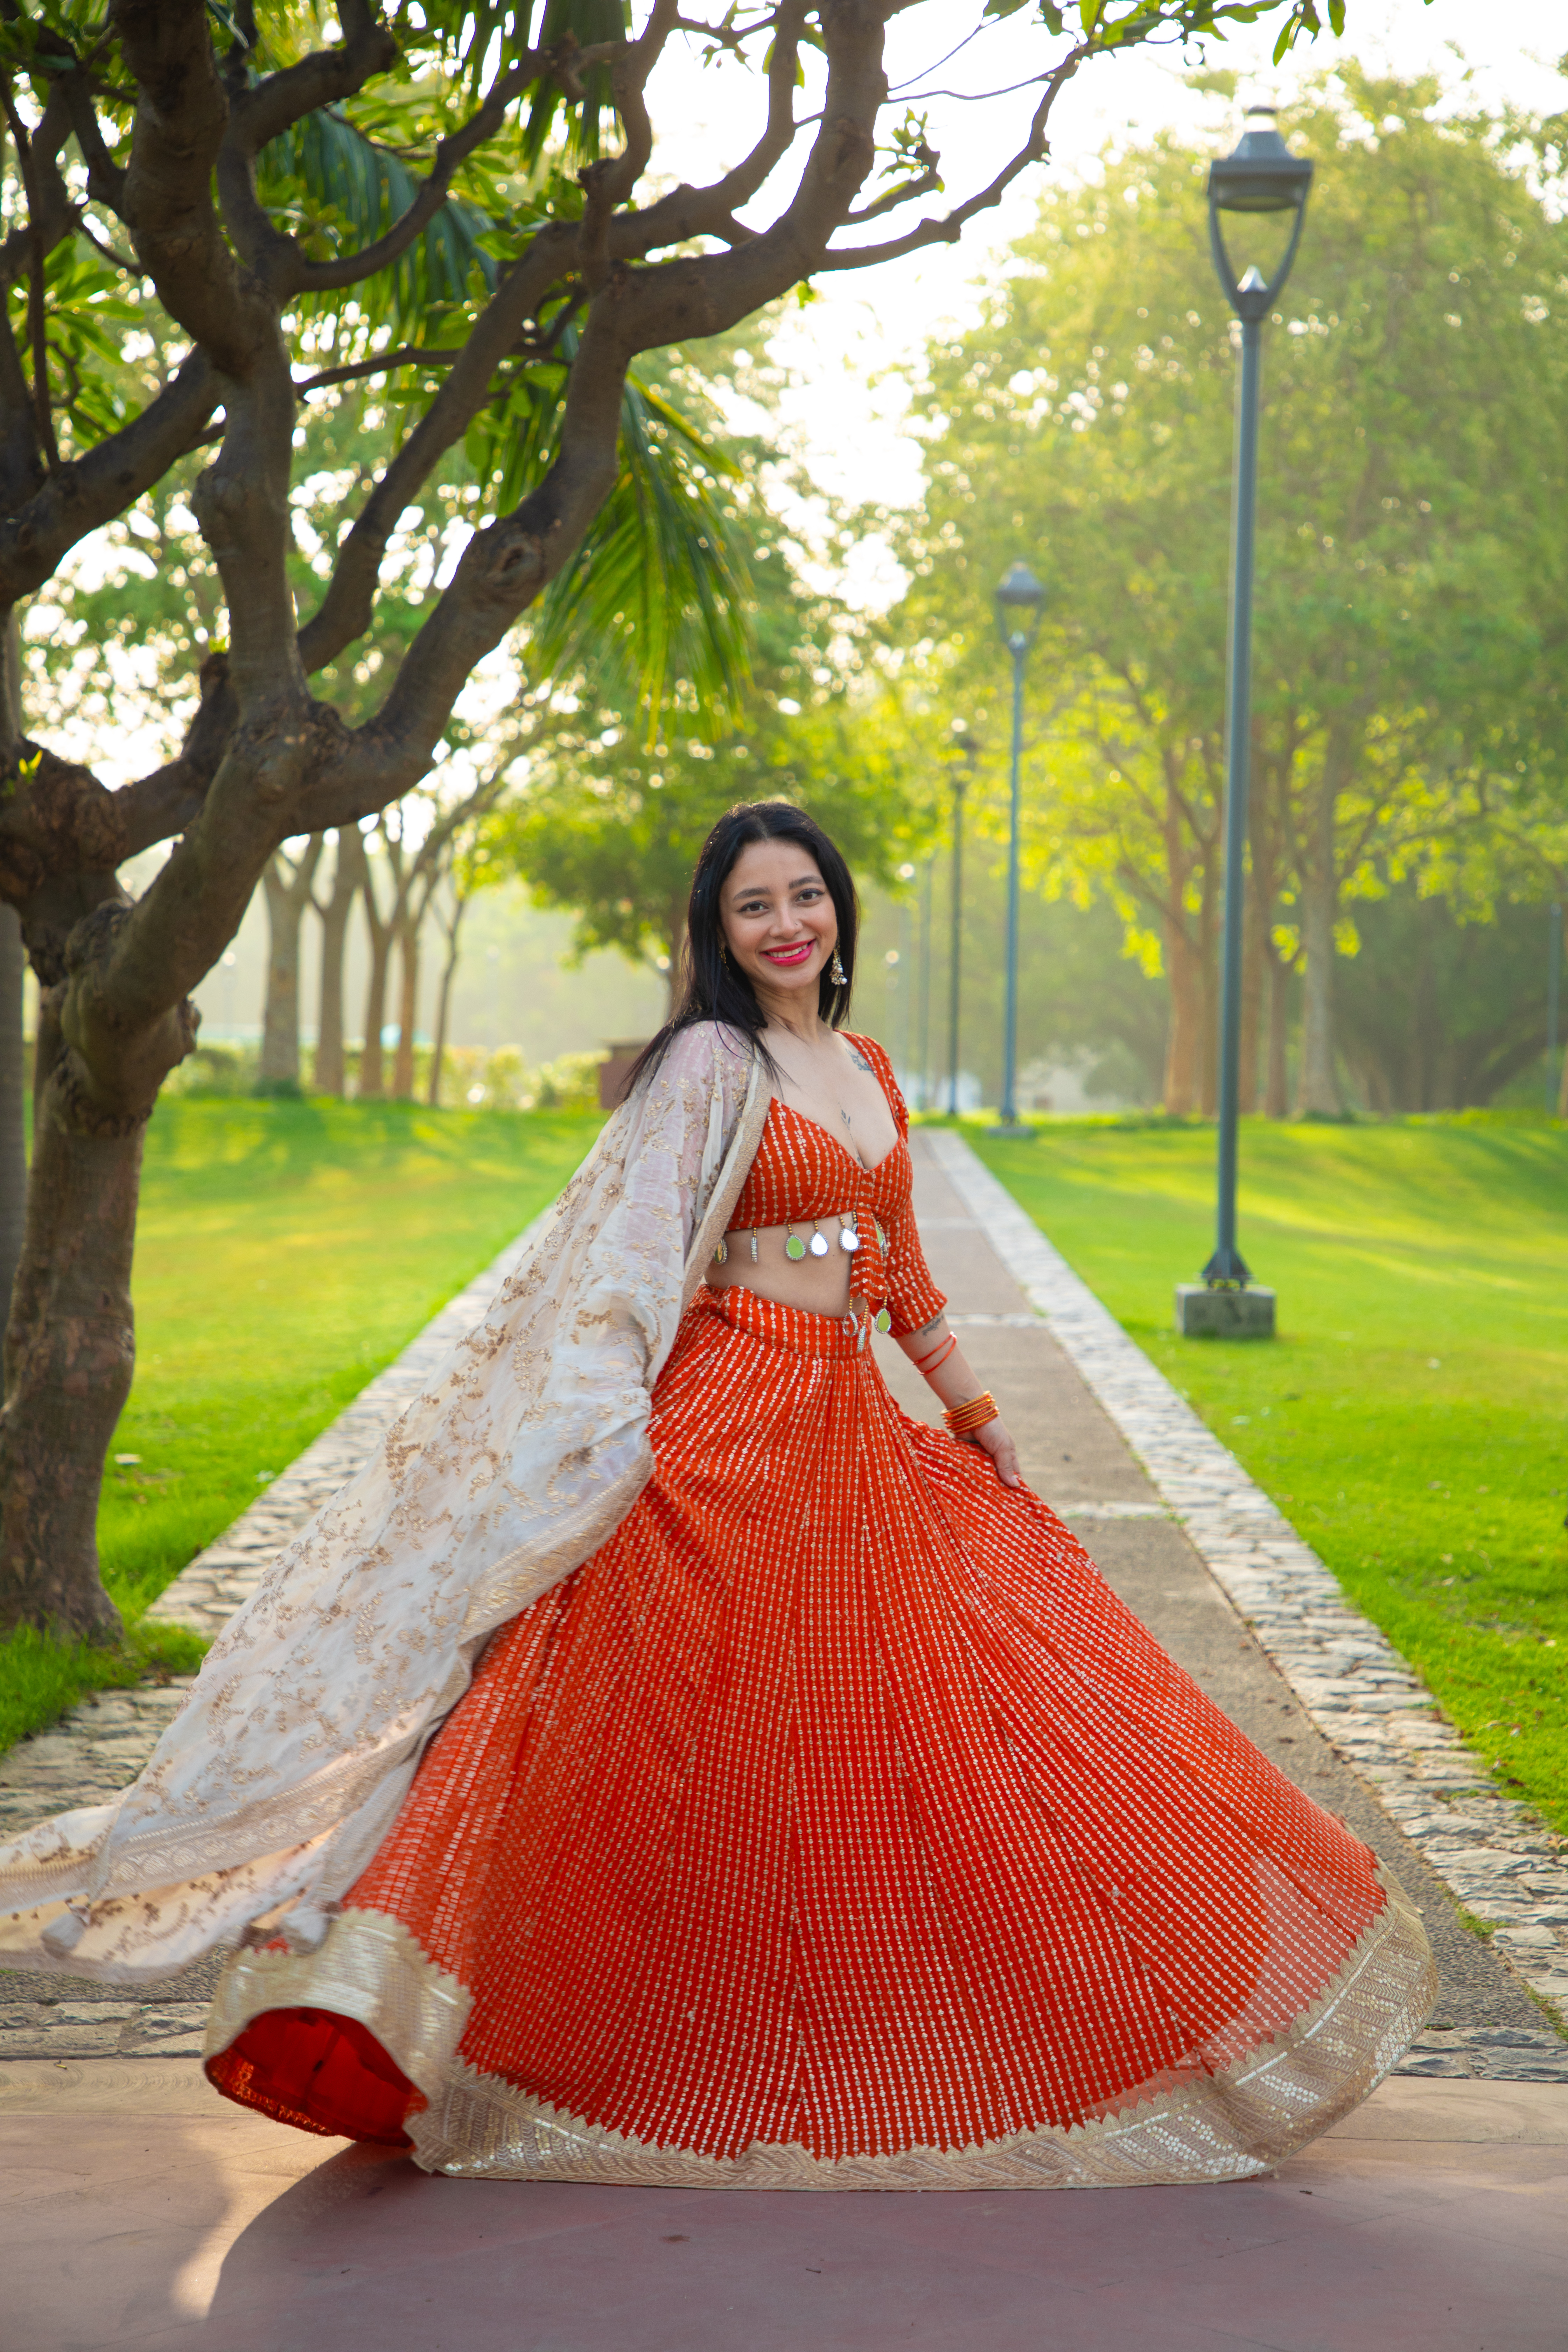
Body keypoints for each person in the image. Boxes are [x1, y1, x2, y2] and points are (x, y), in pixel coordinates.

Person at [0, 801, 1432, 2188]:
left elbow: (902, 1265)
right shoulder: (708, 1066)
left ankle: (886, 2012)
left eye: (803, 894)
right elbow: (625, 1261)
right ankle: (467, 2019)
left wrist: (979, 1415)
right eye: (754, 904)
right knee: (599, 1715)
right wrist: (600, 1434)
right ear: (719, 929)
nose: (786, 922)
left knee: (898, 1718)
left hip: (849, 1434)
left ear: (836, 906)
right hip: (717, 1429)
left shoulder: (866, 1067)